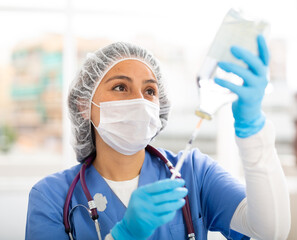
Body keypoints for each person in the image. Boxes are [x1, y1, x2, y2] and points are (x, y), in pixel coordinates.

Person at [25, 36, 291, 240]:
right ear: (84, 105)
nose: (140, 101)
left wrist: (252, 127)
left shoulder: (193, 172)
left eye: (150, 91)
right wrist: (124, 235)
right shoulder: (52, 196)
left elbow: (271, 230)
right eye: (121, 87)